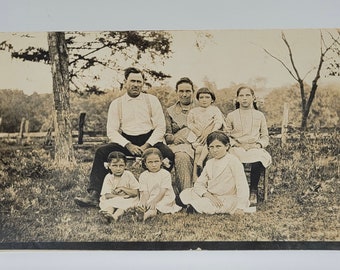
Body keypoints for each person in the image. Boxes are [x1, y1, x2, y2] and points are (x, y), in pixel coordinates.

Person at [75, 67, 174, 207]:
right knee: (101, 152)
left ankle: (158, 193)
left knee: (168, 155)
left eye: (139, 81)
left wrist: (147, 146)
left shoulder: (152, 100)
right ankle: (95, 195)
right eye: (132, 81)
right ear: (125, 82)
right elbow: (112, 131)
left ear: (143, 83)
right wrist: (128, 145)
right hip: (127, 141)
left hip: (150, 141)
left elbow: (160, 127)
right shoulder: (117, 104)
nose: (136, 84)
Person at [179, 131, 250, 214]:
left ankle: (195, 206)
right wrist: (209, 196)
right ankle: (196, 203)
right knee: (186, 193)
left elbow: (242, 185)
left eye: (218, 146)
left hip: (228, 197)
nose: (214, 150)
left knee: (209, 205)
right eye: (211, 147)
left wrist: (240, 207)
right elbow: (199, 184)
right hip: (211, 195)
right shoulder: (210, 163)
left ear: (227, 146)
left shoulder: (233, 161)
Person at [224, 86, 272, 206]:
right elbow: (226, 136)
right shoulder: (231, 115)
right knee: (232, 158)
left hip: (253, 147)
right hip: (237, 147)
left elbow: (265, 136)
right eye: (241, 95)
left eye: (247, 95)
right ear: (237, 99)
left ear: (253, 98)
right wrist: (236, 144)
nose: (244, 98)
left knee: (259, 157)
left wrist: (258, 144)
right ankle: (239, 190)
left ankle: (253, 190)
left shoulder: (259, 115)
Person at [165, 77, 196, 193]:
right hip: (179, 145)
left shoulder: (202, 107)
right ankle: (187, 195)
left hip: (198, 144)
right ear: (176, 92)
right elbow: (167, 135)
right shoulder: (170, 111)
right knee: (182, 157)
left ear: (193, 92)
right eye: (181, 91)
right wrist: (174, 138)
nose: (184, 94)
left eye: (188, 91)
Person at [186, 87, 225, 180]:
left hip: (211, 135)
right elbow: (190, 123)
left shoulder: (215, 110)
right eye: (201, 97)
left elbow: (218, 122)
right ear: (198, 99)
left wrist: (210, 133)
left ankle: (200, 163)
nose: (204, 100)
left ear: (212, 99)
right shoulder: (193, 111)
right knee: (198, 148)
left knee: (204, 148)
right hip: (197, 135)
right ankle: (195, 175)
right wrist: (197, 132)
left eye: (207, 97)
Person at [138, 148, 181, 221]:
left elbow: (162, 191)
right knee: (143, 205)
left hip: (164, 197)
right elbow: (145, 192)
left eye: (156, 161)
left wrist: (154, 201)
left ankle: (148, 215)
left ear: (161, 161)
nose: (154, 165)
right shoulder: (143, 175)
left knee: (157, 205)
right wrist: (145, 201)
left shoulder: (165, 174)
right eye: (150, 162)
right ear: (145, 163)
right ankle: (144, 212)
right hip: (150, 196)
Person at [99, 151, 139, 223]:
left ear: (125, 165)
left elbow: (135, 192)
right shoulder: (109, 177)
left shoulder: (128, 175)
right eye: (114, 165)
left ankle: (115, 217)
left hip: (128, 199)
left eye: (121, 165)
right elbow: (107, 195)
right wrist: (120, 197)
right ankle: (107, 214)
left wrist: (122, 188)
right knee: (109, 204)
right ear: (109, 165)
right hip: (114, 198)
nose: (118, 169)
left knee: (124, 205)